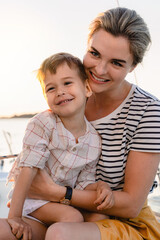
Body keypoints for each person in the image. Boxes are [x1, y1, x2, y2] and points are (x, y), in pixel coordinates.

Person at [0, 6, 160, 240]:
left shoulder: (149, 111)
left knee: (61, 233)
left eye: (116, 63)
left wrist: (55, 192)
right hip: (65, 213)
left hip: (122, 222)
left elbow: (130, 206)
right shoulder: (70, 98)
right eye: (94, 53)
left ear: (132, 67)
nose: (99, 69)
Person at [4, 52, 112, 240]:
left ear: (87, 88)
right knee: (72, 217)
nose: (60, 91)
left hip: (60, 202)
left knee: (100, 216)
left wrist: (102, 186)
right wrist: (15, 216)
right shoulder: (42, 123)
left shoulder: (94, 140)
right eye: (51, 88)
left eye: (67, 83)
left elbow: (84, 182)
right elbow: (27, 170)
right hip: (32, 199)